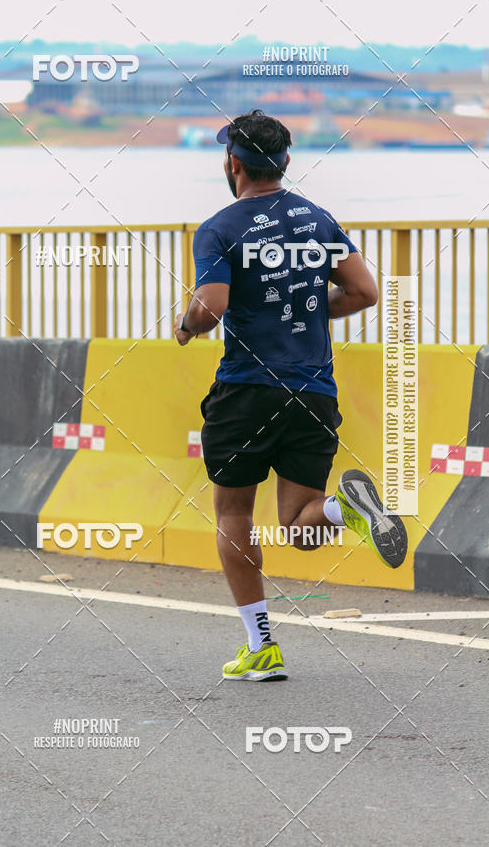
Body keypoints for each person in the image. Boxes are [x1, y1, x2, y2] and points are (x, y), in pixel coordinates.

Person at [174, 109, 408, 682]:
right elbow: (364, 291)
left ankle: (261, 647)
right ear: (285, 161)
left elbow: (212, 307)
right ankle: (341, 508)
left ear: (233, 163)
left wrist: (186, 324)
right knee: (302, 524)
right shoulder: (317, 219)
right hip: (312, 393)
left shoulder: (221, 227)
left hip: (246, 393)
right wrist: (310, 310)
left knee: (234, 514)